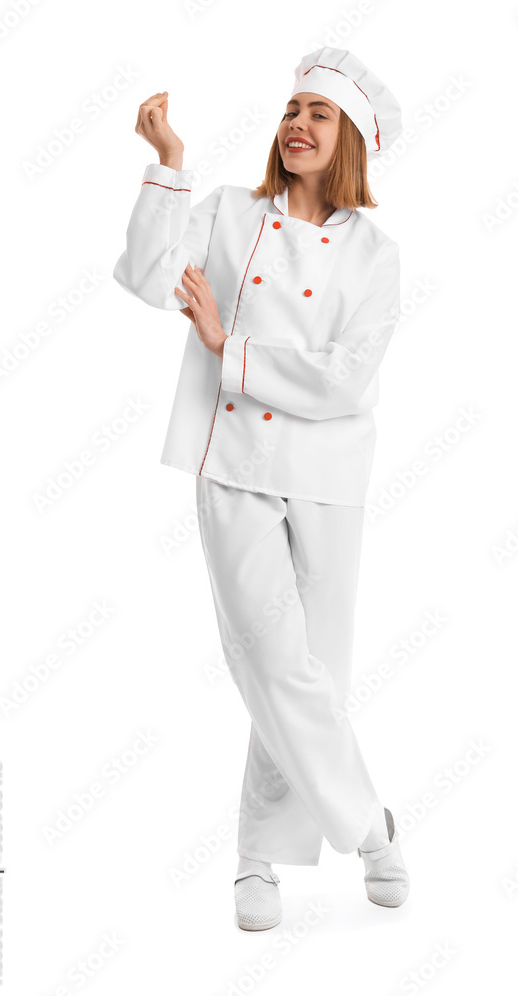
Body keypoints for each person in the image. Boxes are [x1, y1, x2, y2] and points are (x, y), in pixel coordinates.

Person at [113, 46, 409, 931]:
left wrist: (226, 345)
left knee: (311, 671)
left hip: (327, 477)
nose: (296, 125)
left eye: (317, 114)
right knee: (274, 662)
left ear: (349, 138)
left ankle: (257, 857)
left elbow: (345, 380)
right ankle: (370, 830)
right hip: (233, 463)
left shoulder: (375, 255)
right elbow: (144, 276)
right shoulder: (230, 215)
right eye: (290, 111)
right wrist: (169, 164)